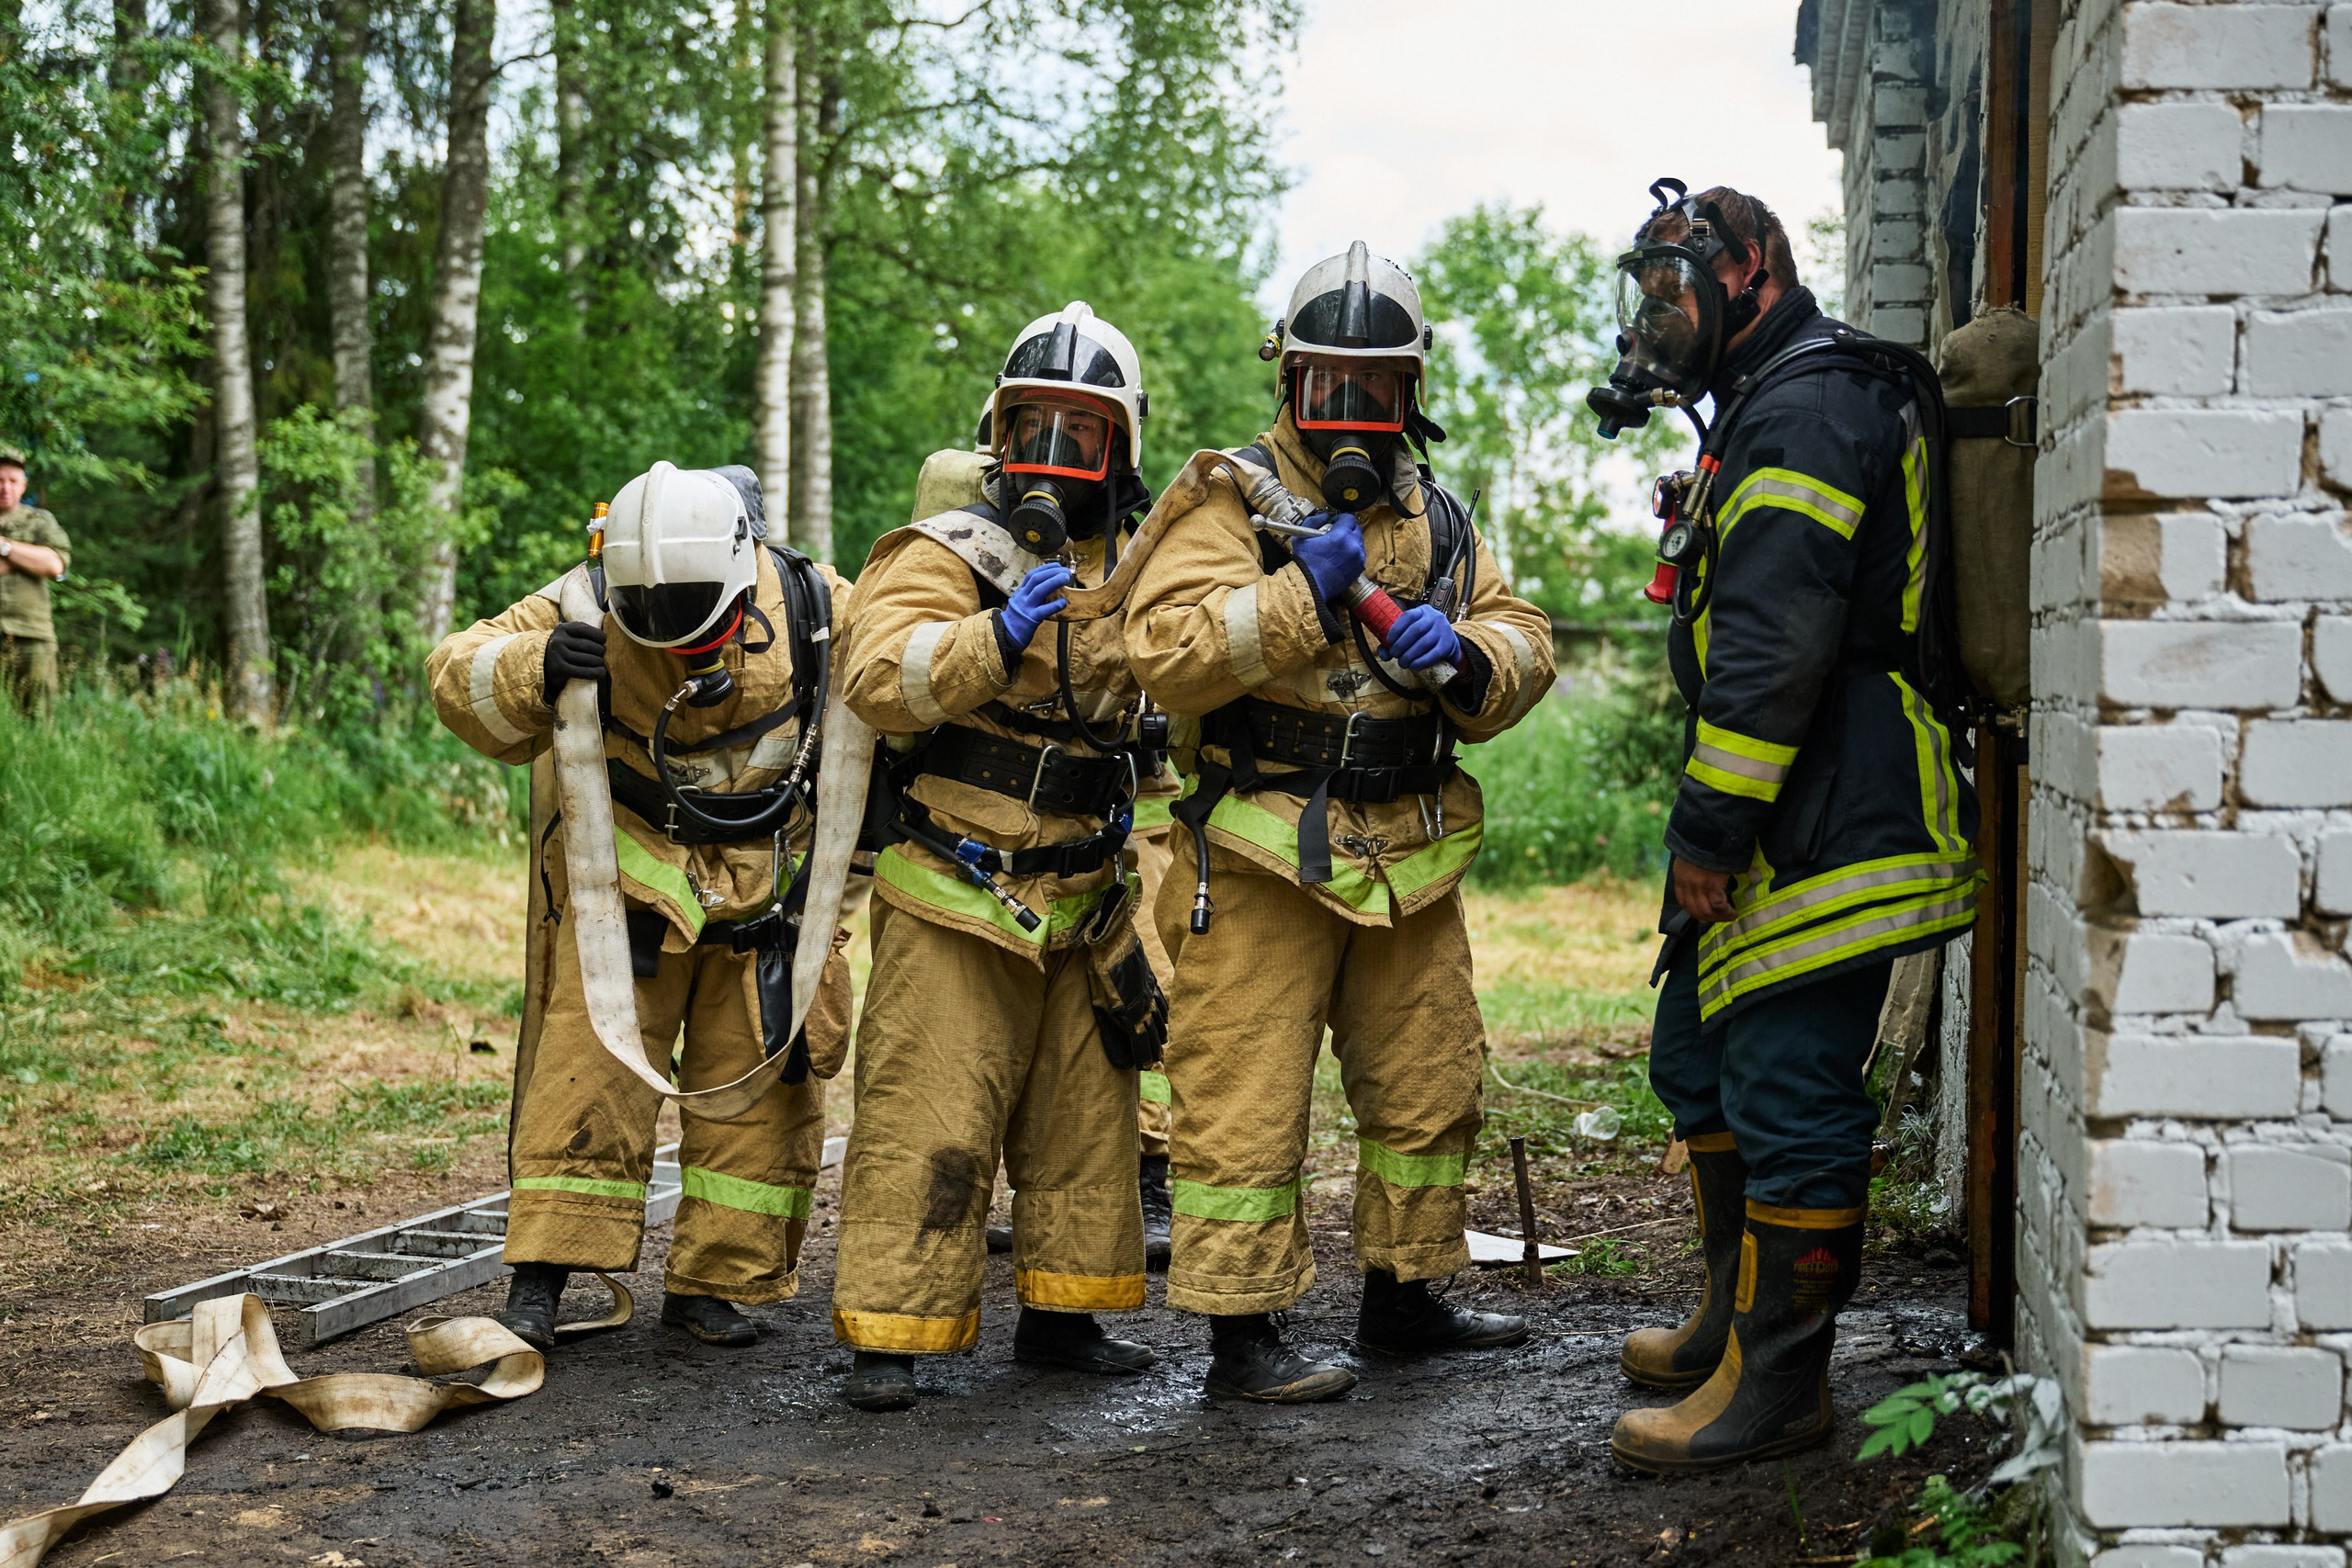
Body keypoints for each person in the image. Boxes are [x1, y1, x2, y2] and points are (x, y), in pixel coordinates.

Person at [1589, 183, 1978, 1472]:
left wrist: (1709, 826)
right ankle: (1727, 1318)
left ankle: (1780, 1382)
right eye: (1645, 289)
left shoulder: (1807, 405)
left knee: (1789, 1089)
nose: (1657, 314)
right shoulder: (1768, 400)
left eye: (1673, 285)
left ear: (1747, 266)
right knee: (1696, 1059)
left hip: (1830, 805)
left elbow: (1774, 643)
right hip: (1777, 801)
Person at [1125, 243, 1557, 1403]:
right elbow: (1161, 655)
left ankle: (1404, 1297)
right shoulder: (1226, 503)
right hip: (1263, 849)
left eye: (1374, 393)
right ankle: (1243, 1334)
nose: (1352, 418)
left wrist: (1465, 654)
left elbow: (1525, 637)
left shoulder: (1442, 521)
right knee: (1243, 1094)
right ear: (1287, 384)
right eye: (1329, 391)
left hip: (1410, 847)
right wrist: (1294, 594)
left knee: (1428, 1080)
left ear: (1410, 395)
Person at [426, 462, 854, 1352]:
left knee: (763, 1090)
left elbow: (891, 659)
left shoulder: (815, 603)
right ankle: (540, 1283)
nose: (674, 636)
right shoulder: (585, 599)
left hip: (768, 891)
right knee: (586, 1082)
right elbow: (454, 675)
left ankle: (715, 1285)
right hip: (626, 888)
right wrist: (530, 666)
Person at [833, 303, 1170, 1412]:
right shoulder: (946, 554)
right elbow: (877, 677)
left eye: (1082, 433)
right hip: (955, 888)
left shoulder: (1146, 561)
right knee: (929, 1109)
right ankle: (892, 1332)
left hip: (1089, 891)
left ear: (1121, 444)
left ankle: (1063, 1318)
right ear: (996, 431)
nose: (1057, 459)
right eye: (1034, 427)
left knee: (1085, 1119)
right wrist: (996, 636)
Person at [0, 447, 72, 713]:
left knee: (37, 719)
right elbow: (40, 561)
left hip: (31, 635)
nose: (5, 487)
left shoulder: (40, 522)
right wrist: (26, 560)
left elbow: (54, 565)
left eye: (12, 481)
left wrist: (5, 547)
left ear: (23, 486)